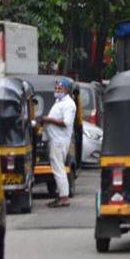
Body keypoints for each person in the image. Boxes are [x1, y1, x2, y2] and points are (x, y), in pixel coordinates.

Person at [39, 78, 76, 207]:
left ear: (66, 90)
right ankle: (61, 195)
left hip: (59, 142)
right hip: (55, 141)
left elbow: (66, 122)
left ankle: (64, 197)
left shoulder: (69, 104)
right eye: (56, 88)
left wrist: (48, 119)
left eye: (60, 88)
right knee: (57, 169)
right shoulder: (59, 102)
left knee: (59, 170)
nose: (57, 90)